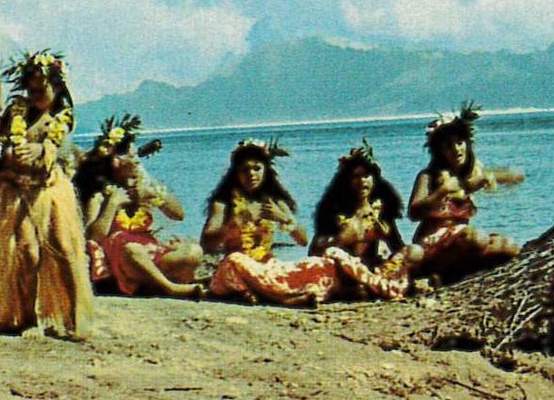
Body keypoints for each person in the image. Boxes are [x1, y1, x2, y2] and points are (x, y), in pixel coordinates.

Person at [0, 51, 94, 338]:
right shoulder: (17, 113)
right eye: (31, 89)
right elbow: (2, 143)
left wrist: (40, 151)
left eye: (42, 89)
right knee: (27, 252)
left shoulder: (61, 118)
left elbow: (60, 149)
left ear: (57, 87)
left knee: (63, 247)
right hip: (18, 189)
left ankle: (73, 317)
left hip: (50, 189)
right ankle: (27, 318)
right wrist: (10, 153)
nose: (35, 95)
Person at [75, 115, 203, 298]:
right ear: (116, 161)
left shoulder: (146, 186)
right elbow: (93, 237)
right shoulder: (101, 196)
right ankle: (169, 287)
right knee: (132, 248)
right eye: (132, 155)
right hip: (123, 259)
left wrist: (157, 196)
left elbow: (178, 215)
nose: (137, 160)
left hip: (149, 252)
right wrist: (112, 205)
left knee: (193, 252)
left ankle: (150, 282)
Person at [203, 140, 336, 306]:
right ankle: (285, 299)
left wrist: (284, 218)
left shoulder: (273, 202)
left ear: (265, 170)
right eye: (245, 170)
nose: (251, 174)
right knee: (234, 259)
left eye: (257, 168)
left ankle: (260, 293)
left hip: (267, 265)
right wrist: (234, 223)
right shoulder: (223, 203)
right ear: (235, 173)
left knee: (321, 264)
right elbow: (207, 243)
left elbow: (303, 241)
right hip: (237, 267)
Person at [408, 104, 525, 286]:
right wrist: (442, 192)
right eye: (448, 145)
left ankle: (458, 275)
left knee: (508, 246)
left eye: (459, 142)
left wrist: (487, 177)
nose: (456, 150)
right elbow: (413, 213)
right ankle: (437, 275)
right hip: (433, 248)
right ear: (439, 150)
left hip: (462, 244)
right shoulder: (429, 176)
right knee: (477, 238)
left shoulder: (470, 176)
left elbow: (517, 175)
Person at [310, 142, 417, 301]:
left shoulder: (381, 210)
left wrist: (387, 235)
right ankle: (374, 287)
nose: (362, 181)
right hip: (344, 271)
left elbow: (397, 247)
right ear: (347, 181)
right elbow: (314, 252)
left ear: (374, 179)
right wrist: (339, 240)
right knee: (332, 253)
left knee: (414, 251)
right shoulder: (334, 211)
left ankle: (371, 284)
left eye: (366, 175)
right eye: (356, 176)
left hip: (374, 268)